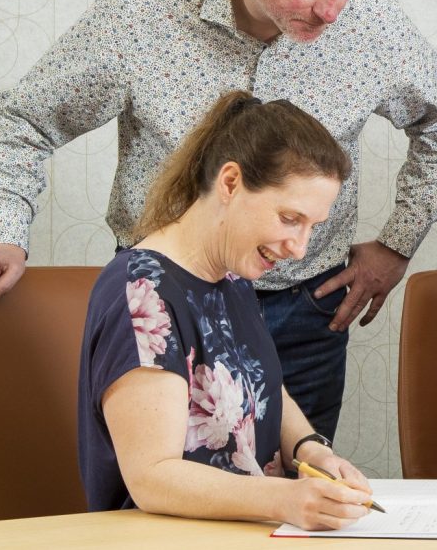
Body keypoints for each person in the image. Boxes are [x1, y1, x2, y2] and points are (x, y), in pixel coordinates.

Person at [0, 0, 437, 439]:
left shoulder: (371, 22)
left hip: (304, 306)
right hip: (166, 299)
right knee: (168, 498)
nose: (331, 9)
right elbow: (22, 120)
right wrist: (4, 226)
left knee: (298, 499)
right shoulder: (143, 10)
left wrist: (398, 244)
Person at [79, 91, 376, 530]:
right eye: (290, 218)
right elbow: (152, 477)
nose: (300, 249)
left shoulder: (232, 276)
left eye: (313, 226)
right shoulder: (141, 291)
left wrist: (312, 450)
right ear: (231, 183)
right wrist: (285, 499)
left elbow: (262, 386)